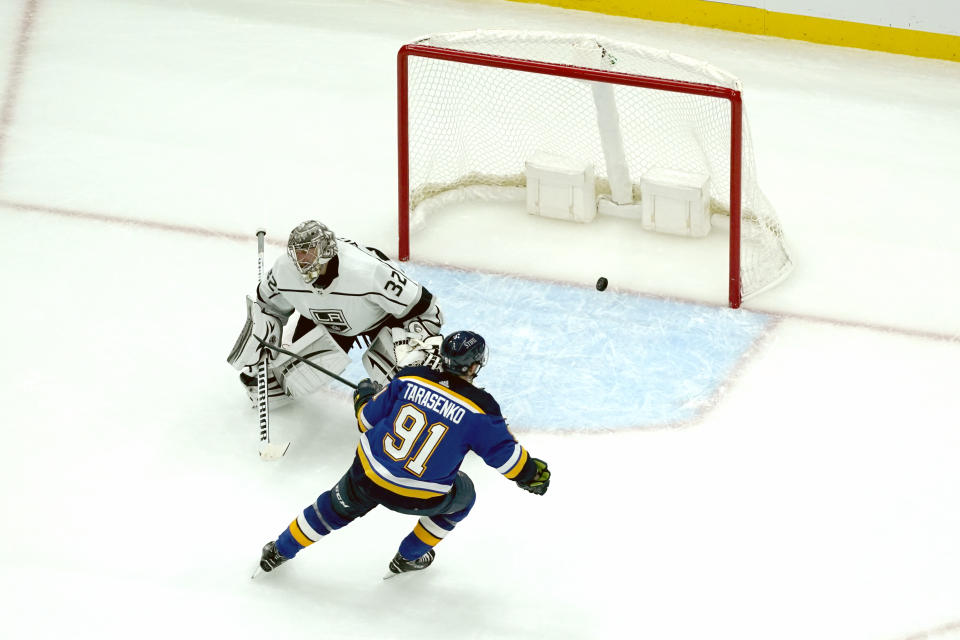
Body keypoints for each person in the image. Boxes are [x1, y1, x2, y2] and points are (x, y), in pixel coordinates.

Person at [254, 330, 551, 577]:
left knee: (331, 508)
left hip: (367, 476)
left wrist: (365, 395)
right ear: (474, 366)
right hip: (421, 498)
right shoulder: (482, 408)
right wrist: (531, 475)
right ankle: (408, 557)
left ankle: (279, 550)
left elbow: (365, 420)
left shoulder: (409, 378)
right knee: (464, 496)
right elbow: (506, 458)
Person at [227, 220, 444, 406]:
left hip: (379, 319)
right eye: (299, 252)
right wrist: (265, 341)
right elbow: (267, 308)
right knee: (287, 382)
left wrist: (419, 345)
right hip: (322, 319)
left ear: (327, 251)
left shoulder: (370, 272)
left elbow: (426, 309)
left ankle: (438, 381)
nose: (303, 260)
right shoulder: (284, 270)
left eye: (310, 251)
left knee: (412, 388)